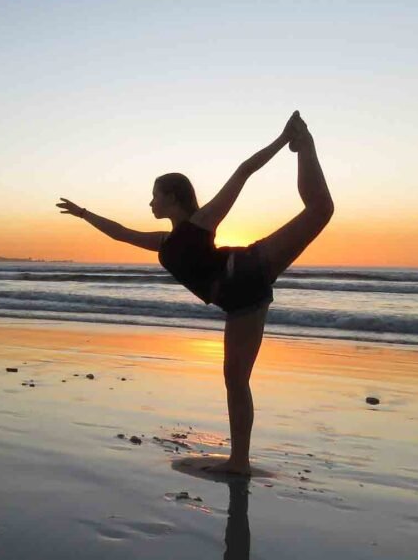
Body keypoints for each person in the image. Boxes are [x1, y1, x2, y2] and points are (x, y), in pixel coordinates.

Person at [56, 111, 333, 475]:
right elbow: (120, 232)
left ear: (171, 196)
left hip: (247, 272)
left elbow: (242, 173)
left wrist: (283, 142)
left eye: (154, 196)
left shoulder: (201, 222)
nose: (150, 203)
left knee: (320, 210)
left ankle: (303, 142)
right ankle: (240, 460)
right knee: (235, 380)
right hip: (238, 299)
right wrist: (84, 214)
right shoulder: (164, 242)